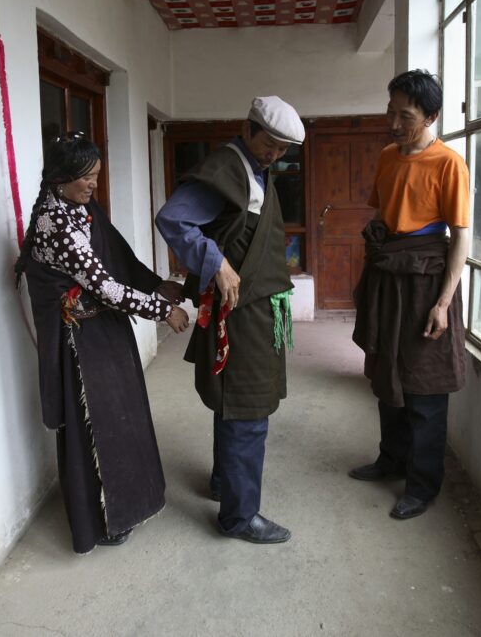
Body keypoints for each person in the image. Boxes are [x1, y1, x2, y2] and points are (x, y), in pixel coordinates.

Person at [15, 132, 189, 554]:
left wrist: (155, 284)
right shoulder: (56, 224)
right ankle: (101, 519)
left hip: (104, 331)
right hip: (81, 343)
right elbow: (104, 286)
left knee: (124, 418)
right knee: (100, 427)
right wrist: (162, 310)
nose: (94, 184)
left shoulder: (80, 207)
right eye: (85, 177)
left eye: (96, 175)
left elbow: (117, 254)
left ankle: (128, 505)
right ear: (60, 177)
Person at [155, 96, 302, 544]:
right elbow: (174, 219)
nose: (274, 155)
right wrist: (214, 260)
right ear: (248, 128)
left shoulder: (256, 171)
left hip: (256, 307)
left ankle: (224, 482)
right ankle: (239, 517)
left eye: (283, 149)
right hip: (241, 311)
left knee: (233, 403)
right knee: (247, 408)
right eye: (269, 144)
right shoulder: (228, 167)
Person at [350, 70, 470, 521]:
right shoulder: (386, 156)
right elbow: (384, 212)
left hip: (426, 280)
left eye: (407, 116)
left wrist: (442, 303)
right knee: (386, 372)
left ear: (432, 116)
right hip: (389, 273)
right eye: (391, 112)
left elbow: (459, 236)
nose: (395, 124)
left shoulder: (448, 163)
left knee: (424, 384)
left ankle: (422, 484)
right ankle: (391, 459)